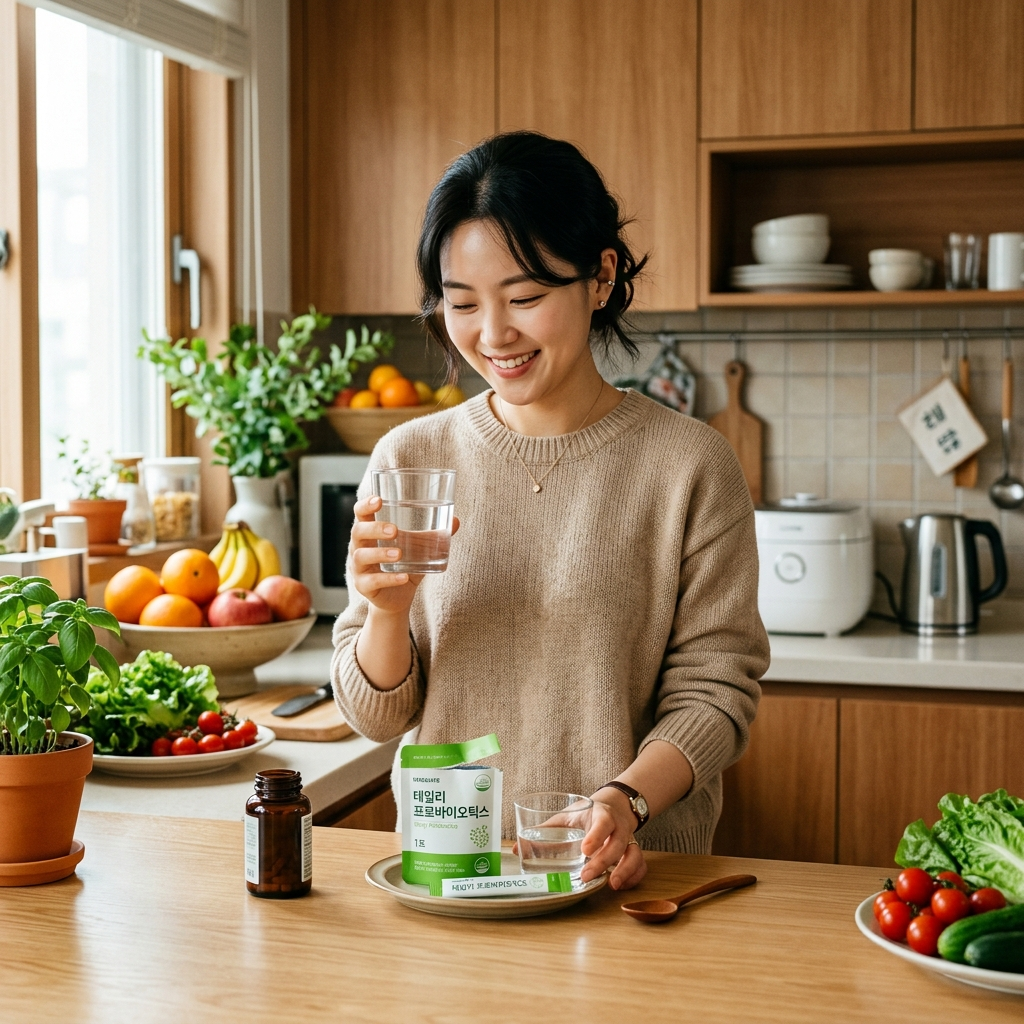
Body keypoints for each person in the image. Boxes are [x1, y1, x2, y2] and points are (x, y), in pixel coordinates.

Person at [331, 131, 769, 891]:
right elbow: (375, 716)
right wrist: (385, 612)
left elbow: (716, 691)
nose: (493, 334)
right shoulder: (409, 460)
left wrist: (626, 802)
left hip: (626, 876)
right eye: (461, 303)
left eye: (525, 298)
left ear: (601, 277)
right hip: (449, 874)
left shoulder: (689, 464)